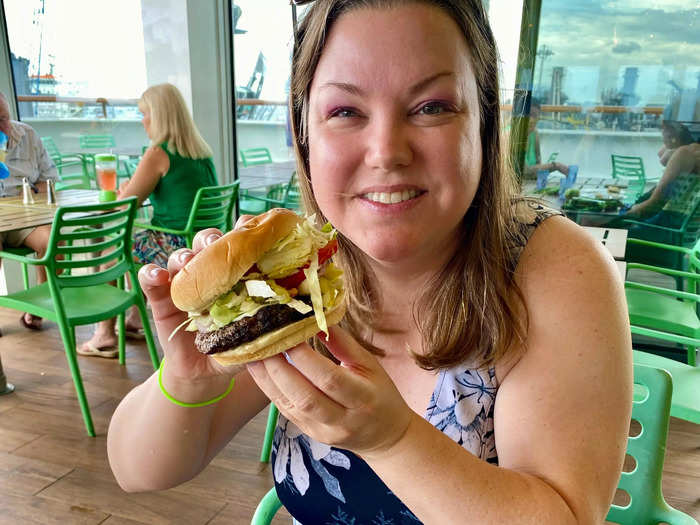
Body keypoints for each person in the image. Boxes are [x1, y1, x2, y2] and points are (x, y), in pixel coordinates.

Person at [108, 2, 632, 523]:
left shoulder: (559, 270)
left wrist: (393, 439)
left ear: (485, 121)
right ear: (304, 132)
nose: (386, 152)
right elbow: (138, 472)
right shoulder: (290, 277)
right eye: (345, 112)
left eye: (431, 107)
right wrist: (187, 382)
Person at [78, 83, 217, 358]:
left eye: (145, 114)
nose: (143, 121)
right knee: (139, 246)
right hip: (203, 241)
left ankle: (103, 335)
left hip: (175, 242)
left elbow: (125, 203)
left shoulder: (158, 153)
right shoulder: (201, 152)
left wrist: (123, 190)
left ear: (159, 115)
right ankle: (135, 321)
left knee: (112, 254)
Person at [0, 91, 58, 331]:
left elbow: (49, 179)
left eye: (3, 118)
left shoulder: (27, 135)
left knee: (52, 241)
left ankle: (40, 304)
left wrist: (33, 198)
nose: (2, 127)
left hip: (23, 214)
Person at [524, 98, 571, 179]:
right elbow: (524, 171)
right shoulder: (512, 136)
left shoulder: (534, 133)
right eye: (528, 114)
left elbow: (538, 167)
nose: (531, 119)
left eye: (535, 116)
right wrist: (555, 166)